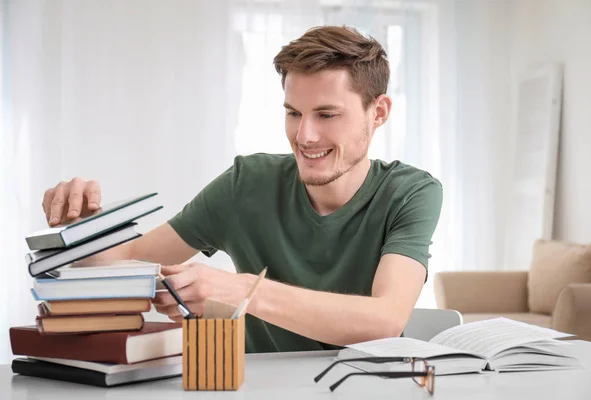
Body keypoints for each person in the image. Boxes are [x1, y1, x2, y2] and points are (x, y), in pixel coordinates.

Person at [41, 26, 442, 353]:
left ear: (379, 113)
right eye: (293, 113)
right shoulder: (247, 184)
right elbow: (124, 264)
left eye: (327, 114)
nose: (305, 135)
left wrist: (242, 291)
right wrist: (85, 227)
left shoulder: (410, 193)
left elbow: (384, 320)